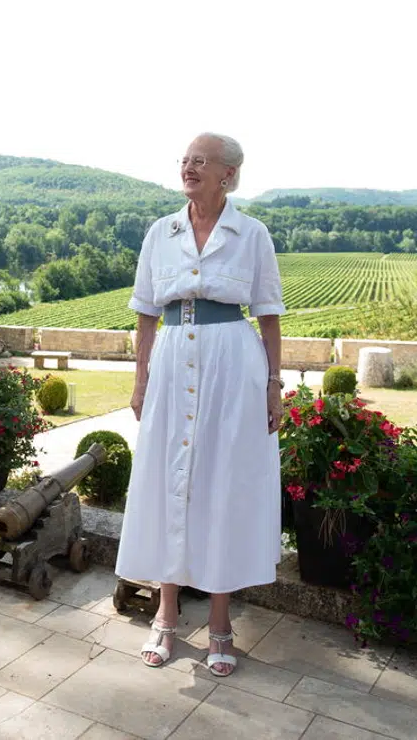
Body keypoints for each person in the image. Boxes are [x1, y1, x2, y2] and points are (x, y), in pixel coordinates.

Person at [115, 133, 285, 678]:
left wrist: (273, 383)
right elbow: (145, 312)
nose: (189, 167)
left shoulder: (251, 234)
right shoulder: (159, 233)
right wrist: (139, 379)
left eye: (201, 161)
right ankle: (164, 614)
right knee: (171, 480)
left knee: (220, 484)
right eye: (186, 159)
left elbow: (270, 314)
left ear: (228, 175)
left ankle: (219, 622)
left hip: (234, 365)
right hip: (171, 358)